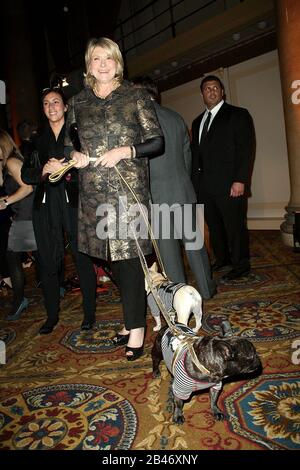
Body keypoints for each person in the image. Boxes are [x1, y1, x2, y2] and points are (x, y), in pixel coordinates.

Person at [64, 37, 164, 360]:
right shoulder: (78, 102)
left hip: (128, 191)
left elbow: (156, 142)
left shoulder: (135, 96)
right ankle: (131, 315)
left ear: (117, 62)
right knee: (109, 258)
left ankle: (136, 329)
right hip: (93, 195)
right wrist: (74, 156)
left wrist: (126, 151)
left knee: (129, 259)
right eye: (96, 59)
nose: (103, 64)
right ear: (89, 65)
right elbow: (69, 143)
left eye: (108, 58)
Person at [21, 88, 97, 334]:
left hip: (74, 202)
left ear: (65, 107)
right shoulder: (36, 140)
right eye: (46, 103)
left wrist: (66, 166)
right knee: (48, 261)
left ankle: (89, 314)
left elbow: (90, 165)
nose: (52, 106)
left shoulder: (78, 134)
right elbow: (26, 175)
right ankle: (51, 315)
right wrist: (44, 169)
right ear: (43, 110)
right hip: (45, 205)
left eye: (56, 102)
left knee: (82, 257)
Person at [133, 76, 216, 299]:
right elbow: (187, 158)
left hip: (156, 196)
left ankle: (181, 295)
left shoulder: (139, 122)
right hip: (183, 191)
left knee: (169, 253)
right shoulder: (176, 117)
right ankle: (207, 290)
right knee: (195, 247)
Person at [191, 75, 254, 280]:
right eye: (207, 88)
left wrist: (240, 180)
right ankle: (223, 259)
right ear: (202, 94)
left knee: (235, 226)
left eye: (215, 87)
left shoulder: (238, 115)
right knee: (215, 226)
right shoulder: (198, 121)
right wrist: (194, 185)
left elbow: (246, 150)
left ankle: (241, 264)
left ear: (222, 92)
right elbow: (196, 156)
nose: (211, 91)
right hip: (204, 187)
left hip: (230, 185)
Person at [0, 129, 36, 320]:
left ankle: (19, 300)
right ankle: (56, 286)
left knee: (12, 256)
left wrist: (6, 202)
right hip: (22, 214)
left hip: (27, 214)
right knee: (38, 255)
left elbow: (28, 187)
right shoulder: (6, 163)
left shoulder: (13, 161)